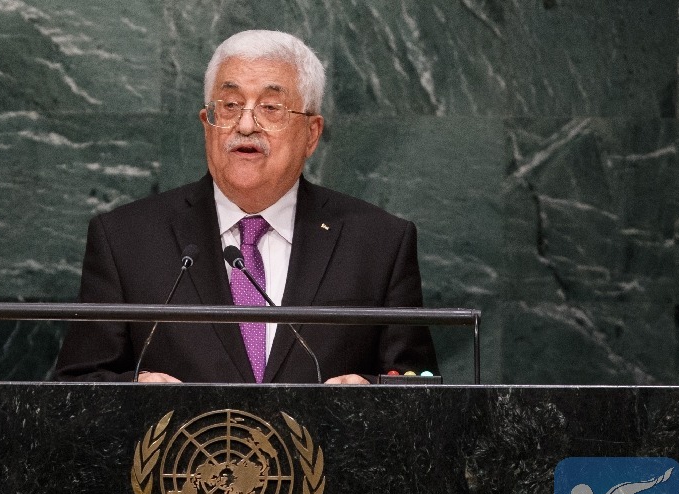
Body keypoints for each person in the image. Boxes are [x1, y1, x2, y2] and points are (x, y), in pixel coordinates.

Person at [54, 29, 438, 384]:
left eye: (271, 107)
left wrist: (371, 392)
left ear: (312, 134)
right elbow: (75, 387)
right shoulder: (126, 240)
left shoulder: (379, 243)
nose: (246, 125)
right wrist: (132, 393)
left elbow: (418, 384)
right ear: (207, 123)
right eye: (230, 105)